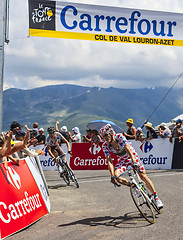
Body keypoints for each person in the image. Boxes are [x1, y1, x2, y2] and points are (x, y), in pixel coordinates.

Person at [99, 124, 163, 209]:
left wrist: (134, 162)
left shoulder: (119, 137)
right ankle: (133, 186)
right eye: (103, 137)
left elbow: (128, 149)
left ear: (111, 132)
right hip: (122, 161)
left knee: (143, 176)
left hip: (132, 156)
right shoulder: (105, 145)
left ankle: (156, 197)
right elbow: (109, 161)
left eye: (106, 135)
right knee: (117, 177)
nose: (105, 138)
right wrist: (112, 175)